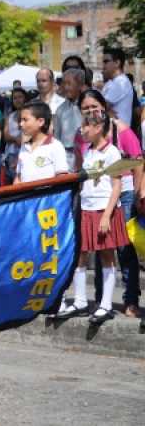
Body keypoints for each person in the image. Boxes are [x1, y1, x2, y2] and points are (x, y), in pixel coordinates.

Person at [56, 109, 128, 324]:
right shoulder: (88, 151)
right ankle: (80, 301)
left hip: (104, 209)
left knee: (106, 255)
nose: (82, 129)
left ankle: (105, 304)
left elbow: (117, 186)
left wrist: (107, 215)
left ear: (98, 128)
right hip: (86, 208)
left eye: (86, 126)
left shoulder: (112, 152)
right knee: (81, 254)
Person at [75, 90, 142, 317]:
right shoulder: (84, 136)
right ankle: (100, 301)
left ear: (103, 106)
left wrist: (139, 191)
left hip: (121, 193)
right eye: (86, 109)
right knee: (96, 248)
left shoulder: (121, 130)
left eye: (95, 106)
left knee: (123, 249)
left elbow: (137, 161)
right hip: (94, 199)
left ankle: (131, 299)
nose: (91, 111)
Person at [13, 101, 69, 183]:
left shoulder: (55, 146)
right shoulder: (24, 147)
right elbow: (18, 177)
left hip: (48, 195)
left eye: (25, 120)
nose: (21, 124)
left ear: (40, 122)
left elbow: (61, 177)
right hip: (27, 195)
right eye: (20, 120)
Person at [53, 68, 87, 171]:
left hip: (85, 153)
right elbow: (57, 138)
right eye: (64, 84)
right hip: (67, 157)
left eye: (69, 84)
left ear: (80, 85)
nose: (65, 87)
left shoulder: (87, 106)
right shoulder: (60, 109)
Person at [101, 48, 134, 126]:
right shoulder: (110, 83)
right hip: (110, 132)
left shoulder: (121, 82)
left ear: (117, 63)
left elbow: (99, 107)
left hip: (118, 134)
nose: (103, 66)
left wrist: (105, 109)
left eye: (106, 62)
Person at [2, 88, 28, 183]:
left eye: (20, 97)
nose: (17, 100)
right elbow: (5, 135)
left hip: (25, 153)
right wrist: (15, 139)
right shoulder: (10, 116)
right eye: (14, 98)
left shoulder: (31, 115)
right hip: (11, 154)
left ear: (25, 98)